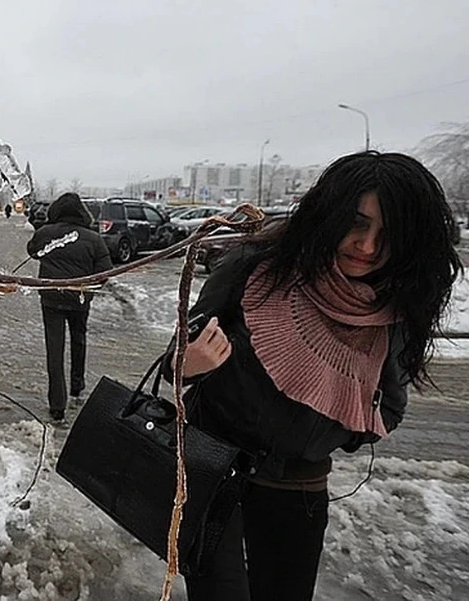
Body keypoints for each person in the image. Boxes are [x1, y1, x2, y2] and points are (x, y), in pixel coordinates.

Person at [163, 151, 461, 601]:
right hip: (213, 472)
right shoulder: (255, 269)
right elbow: (175, 358)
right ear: (328, 215)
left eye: (388, 234)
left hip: (297, 489)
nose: (367, 246)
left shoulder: (392, 311)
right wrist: (188, 364)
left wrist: (333, 423)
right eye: (357, 223)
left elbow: (390, 409)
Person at [27, 192, 113, 423]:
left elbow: (32, 252)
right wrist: (88, 289)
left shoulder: (45, 234)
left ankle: (57, 406)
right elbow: (106, 271)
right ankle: (77, 388)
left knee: (54, 351)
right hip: (80, 300)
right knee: (79, 341)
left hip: (51, 300)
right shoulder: (94, 238)